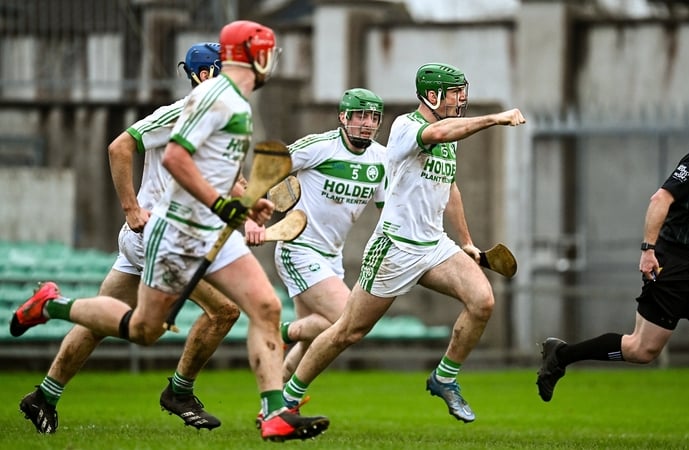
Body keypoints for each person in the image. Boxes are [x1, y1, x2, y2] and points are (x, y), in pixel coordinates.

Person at [9, 20, 329, 442]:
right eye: (265, 51)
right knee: (146, 329)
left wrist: (248, 206)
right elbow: (174, 158)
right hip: (175, 233)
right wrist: (138, 208)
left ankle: (274, 413)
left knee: (265, 308)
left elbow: (213, 171)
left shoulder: (238, 104)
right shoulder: (210, 100)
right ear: (245, 58)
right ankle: (53, 305)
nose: (271, 61)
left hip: (206, 230)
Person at [535, 94, 689, 449]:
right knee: (641, 350)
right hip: (674, 268)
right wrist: (648, 250)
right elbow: (661, 200)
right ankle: (561, 355)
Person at [281, 62, 526, 424]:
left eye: (463, 92)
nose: (462, 100)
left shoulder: (449, 135)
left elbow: (450, 188)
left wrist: (468, 242)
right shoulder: (406, 127)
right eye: (455, 93)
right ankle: (287, 400)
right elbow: (439, 134)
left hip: (434, 245)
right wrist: (494, 119)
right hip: (394, 247)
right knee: (348, 330)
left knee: (482, 301)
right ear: (431, 95)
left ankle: (444, 378)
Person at [17, 42, 240, 434]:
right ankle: (179, 392)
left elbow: (225, 186)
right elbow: (120, 145)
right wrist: (131, 208)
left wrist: (252, 207)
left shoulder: (221, 125)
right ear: (204, 76)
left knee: (100, 321)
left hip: (161, 237)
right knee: (222, 312)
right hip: (155, 235)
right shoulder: (182, 113)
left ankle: (44, 394)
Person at [245, 88, 387, 382]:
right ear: (342, 117)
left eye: (373, 117)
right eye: (360, 116)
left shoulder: (382, 159)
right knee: (348, 320)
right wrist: (251, 219)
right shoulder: (319, 147)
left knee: (312, 339)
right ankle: (278, 331)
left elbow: (389, 211)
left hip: (331, 257)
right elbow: (267, 169)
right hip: (298, 248)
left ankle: (278, 405)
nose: (367, 123)